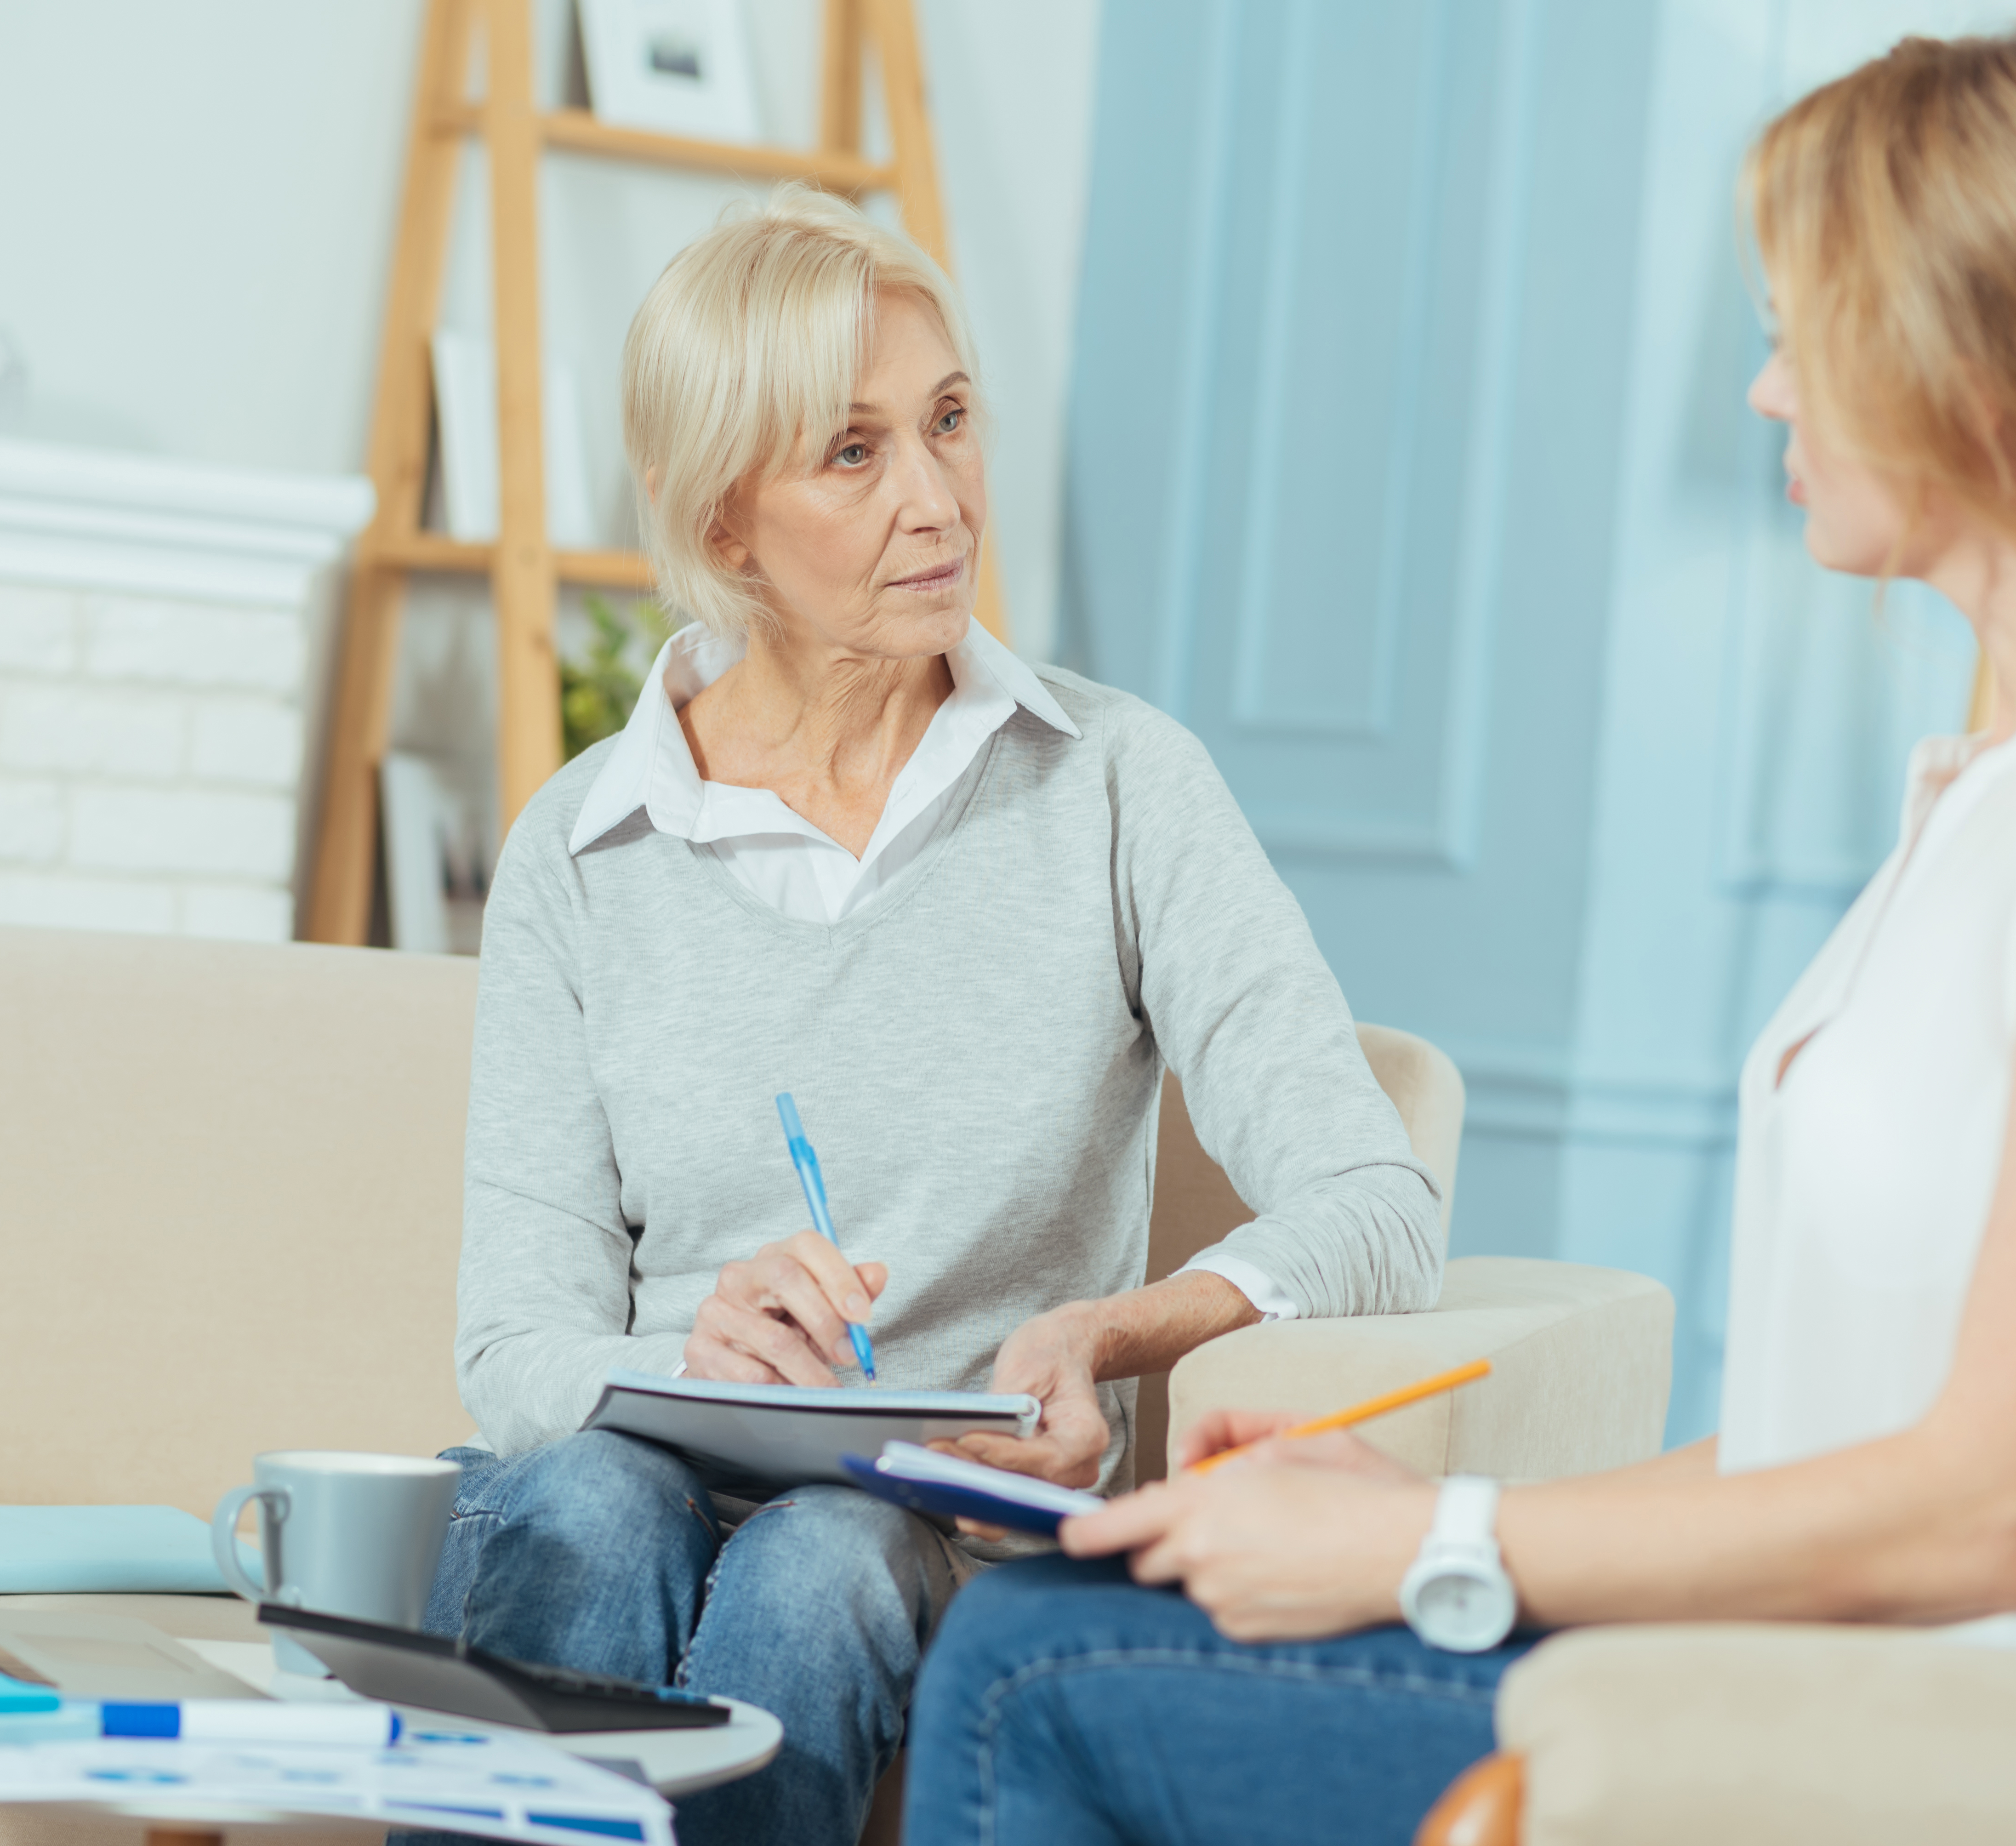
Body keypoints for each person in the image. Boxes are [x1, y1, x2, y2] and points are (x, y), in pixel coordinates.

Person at [904, 21, 2016, 1843]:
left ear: (1955, 362)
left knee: (1037, 1664)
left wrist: (1432, 1539)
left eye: (1794, 332)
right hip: (1867, 1672)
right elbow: (1845, 1436)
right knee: (1066, 1615)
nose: (1766, 393)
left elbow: (1994, 1510)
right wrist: (1402, 1506)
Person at [408, 185, 1445, 1846]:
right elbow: (513, 1352)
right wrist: (687, 1357)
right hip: (618, 1492)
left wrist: (1117, 1331)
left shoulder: (1118, 787)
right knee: (592, 1507)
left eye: (950, 422)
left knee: (822, 1561)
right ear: (724, 524)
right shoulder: (584, 846)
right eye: (854, 452)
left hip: (926, 1527)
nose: (939, 499)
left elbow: (1378, 1206)